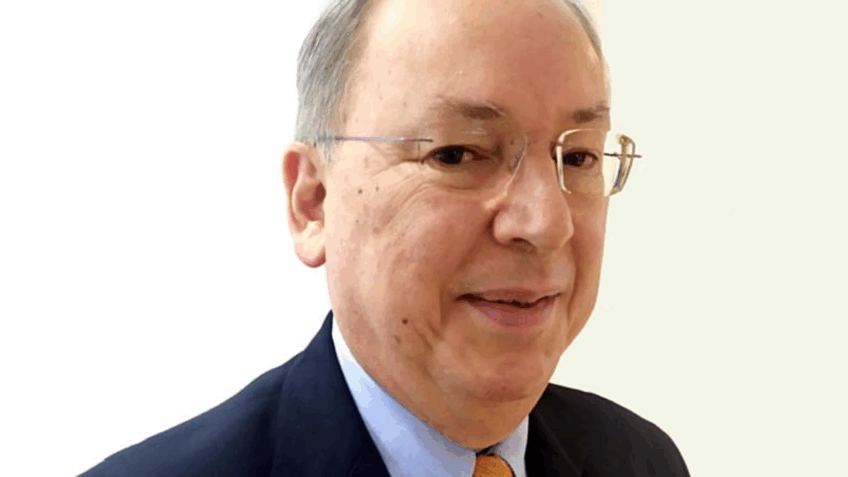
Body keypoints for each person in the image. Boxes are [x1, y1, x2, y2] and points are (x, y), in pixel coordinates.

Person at [80, 0, 689, 475]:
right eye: (458, 153)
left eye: (579, 157)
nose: (546, 223)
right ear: (313, 201)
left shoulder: (640, 460)